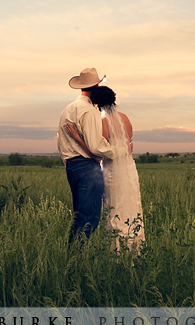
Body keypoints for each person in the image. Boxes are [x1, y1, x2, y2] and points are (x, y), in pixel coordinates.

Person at [65, 85, 145, 253]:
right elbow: (127, 147)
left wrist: (77, 138)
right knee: (130, 205)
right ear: (114, 99)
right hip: (129, 169)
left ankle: (117, 251)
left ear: (96, 104)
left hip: (113, 171)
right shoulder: (126, 119)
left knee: (114, 207)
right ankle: (134, 247)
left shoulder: (102, 122)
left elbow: (98, 156)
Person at [56, 67, 114, 245]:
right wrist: (117, 151)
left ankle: (72, 257)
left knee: (79, 217)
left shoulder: (67, 109)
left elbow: (60, 143)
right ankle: (76, 259)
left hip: (71, 167)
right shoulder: (89, 111)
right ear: (96, 86)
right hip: (88, 167)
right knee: (90, 218)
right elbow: (96, 146)